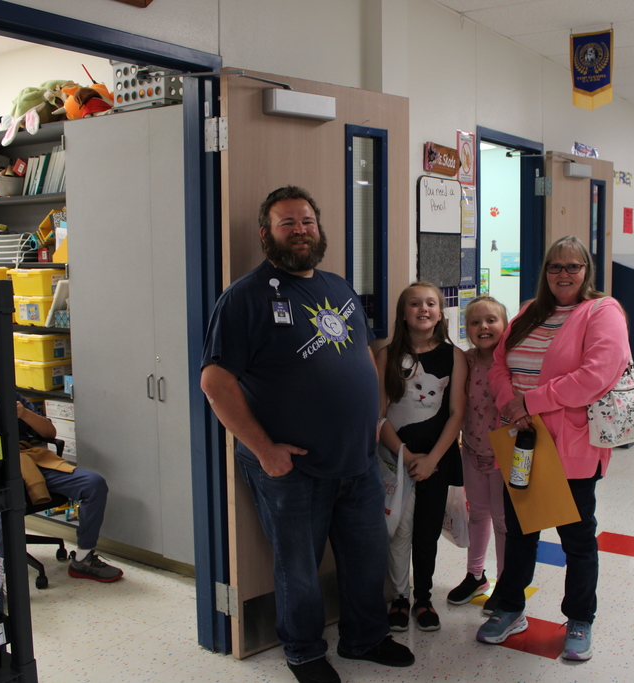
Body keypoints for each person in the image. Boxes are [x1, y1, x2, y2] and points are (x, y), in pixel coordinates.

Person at [200, 186, 414, 683]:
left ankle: (364, 637)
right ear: (266, 234)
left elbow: (362, 353)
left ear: (320, 228)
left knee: (366, 558)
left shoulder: (339, 288)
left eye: (307, 221)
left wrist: (370, 417)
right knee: (298, 568)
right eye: (287, 223)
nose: (300, 231)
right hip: (291, 468)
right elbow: (215, 381)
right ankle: (302, 651)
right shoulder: (245, 298)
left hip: (357, 461)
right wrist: (264, 450)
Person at [476, 236, 630, 662]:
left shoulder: (603, 312)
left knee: (576, 539)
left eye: (573, 267)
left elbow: (595, 375)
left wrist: (531, 401)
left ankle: (580, 618)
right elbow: (499, 363)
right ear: (545, 272)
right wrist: (512, 404)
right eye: (555, 267)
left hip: (571, 446)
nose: (564, 275)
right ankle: (510, 607)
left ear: (587, 271)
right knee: (521, 531)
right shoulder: (529, 311)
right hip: (523, 441)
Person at [376, 282, 466, 633]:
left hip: (437, 461)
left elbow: (457, 413)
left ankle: (423, 598)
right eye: (414, 303)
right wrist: (404, 453)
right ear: (403, 313)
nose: (423, 309)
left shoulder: (454, 356)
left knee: (426, 534)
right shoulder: (386, 356)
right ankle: (400, 597)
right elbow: (379, 415)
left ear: (441, 314)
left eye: (431, 303)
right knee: (398, 533)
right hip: (395, 462)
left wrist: (431, 460)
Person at [16, 395, 123, 582]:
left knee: (93, 484)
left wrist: (23, 413)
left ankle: (83, 558)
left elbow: (49, 433)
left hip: (29, 460)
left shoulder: (14, 398)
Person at [446, 295, 508, 613]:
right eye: (474, 322)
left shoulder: (510, 362)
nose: (483, 326)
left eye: (490, 320)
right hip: (470, 451)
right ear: (467, 328)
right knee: (478, 516)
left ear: (504, 325)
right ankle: (475, 576)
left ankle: (505, 582)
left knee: (502, 521)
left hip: (503, 457)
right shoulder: (465, 361)